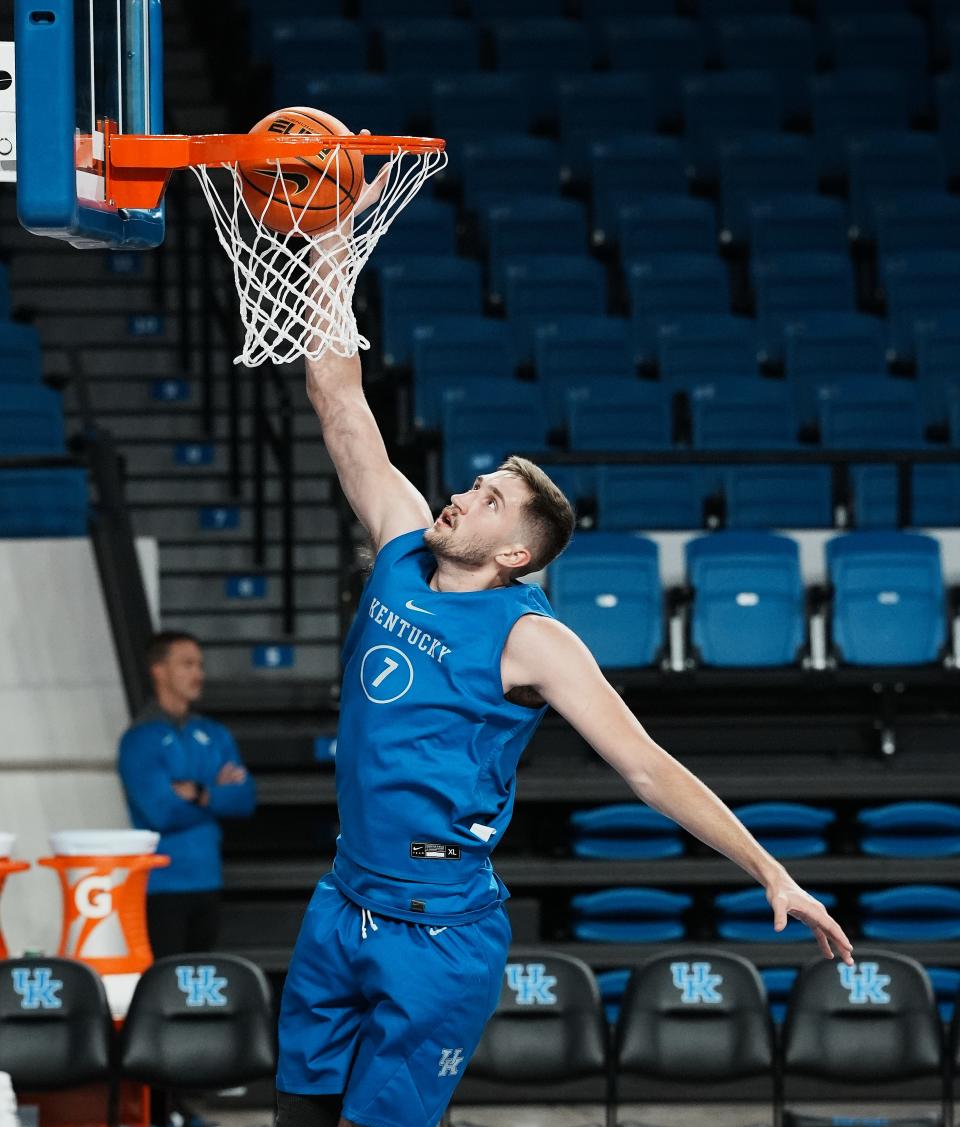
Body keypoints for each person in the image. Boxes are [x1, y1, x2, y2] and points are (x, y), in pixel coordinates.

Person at [274, 212, 854, 1127]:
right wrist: (331, 244)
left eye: (489, 500)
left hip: (439, 932)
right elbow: (335, 392)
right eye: (475, 485)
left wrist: (770, 871)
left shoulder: (530, 637)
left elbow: (646, 766)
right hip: (343, 901)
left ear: (512, 555)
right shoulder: (398, 542)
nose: (462, 495)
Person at [118, 630, 256, 958]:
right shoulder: (139, 740)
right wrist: (216, 795)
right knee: (166, 989)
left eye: (200, 665)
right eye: (187, 664)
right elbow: (160, 811)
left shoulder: (213, 733)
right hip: (162, 886)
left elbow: (245, 798)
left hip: (209, 880)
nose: (198, 674)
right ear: (159, 670)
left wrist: (199, 794)